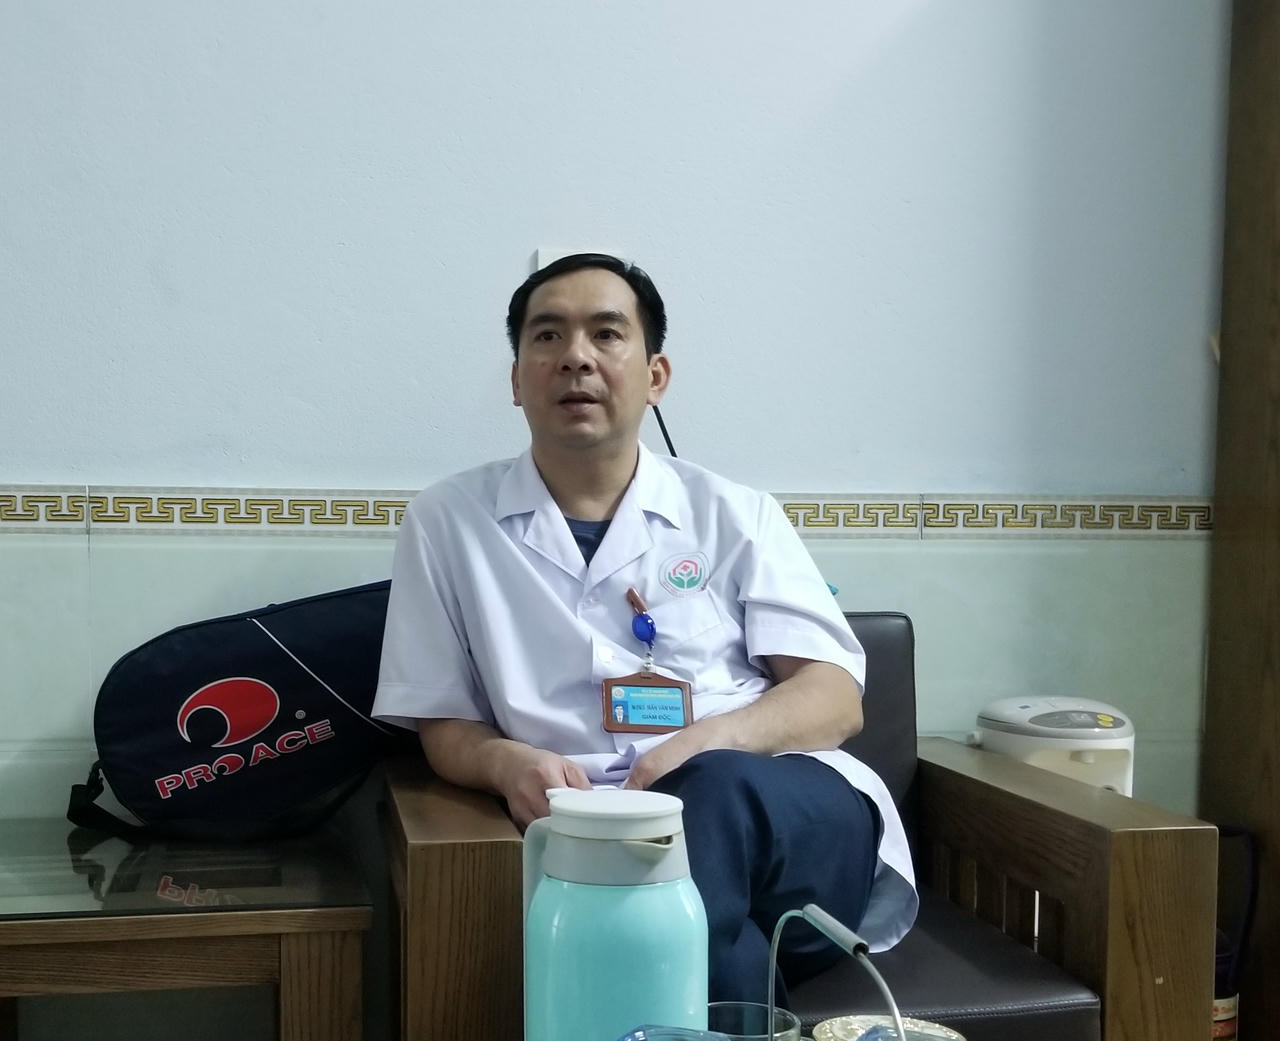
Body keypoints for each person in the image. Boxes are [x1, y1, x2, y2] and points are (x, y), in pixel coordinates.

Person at [372, 253, 917, 1004]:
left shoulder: (734, 512)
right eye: (548, 336)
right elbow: (441, 721)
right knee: (707, 938)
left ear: (655, 375)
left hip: (781, 815)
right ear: (516, 379)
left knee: (706, 800)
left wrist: (706, 744)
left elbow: (833, 695)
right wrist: (505, 762)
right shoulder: (448, 521)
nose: (576, 357)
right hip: (586, 833)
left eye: (606, 333)